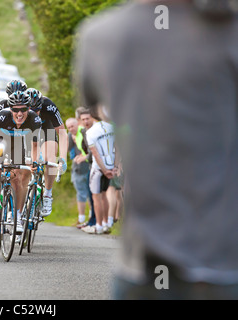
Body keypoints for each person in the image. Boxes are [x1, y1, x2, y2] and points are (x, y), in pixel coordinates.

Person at [75, 0, 238, 299]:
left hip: (144, 265)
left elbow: (98, 105)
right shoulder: (227, 30)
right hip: (224, 262)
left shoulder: (100, 36)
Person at [0, 91, 42, 234]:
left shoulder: (34, 121)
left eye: (23, 109)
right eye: (15, 110)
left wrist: (34, 162)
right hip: (0, 144)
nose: (19, 113)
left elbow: (35, 146)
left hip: (17, 146)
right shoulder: (1, 118)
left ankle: (17, 217)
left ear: (29, 109)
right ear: (10, 110)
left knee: (17, 181)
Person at [24, 87, 67, 216]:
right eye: (31, 111)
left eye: (37, 111)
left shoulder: (49, 106)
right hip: (27, 133)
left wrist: (63, 158)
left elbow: (63, 134)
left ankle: (47, 194)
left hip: (46, 131)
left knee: (51, 161)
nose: (34, 114)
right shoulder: (19, 110)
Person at [80, 107, 115, 235]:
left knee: (96, 197)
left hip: (99, 168)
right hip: (111, 164)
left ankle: (99, 225)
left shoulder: (90, 132)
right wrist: (115, 166)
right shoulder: (111, 127)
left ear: (92, 116)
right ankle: (106, 223)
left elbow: (95, 154)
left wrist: (104, 170)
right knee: (105, 195)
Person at [65, 117, 91, 227]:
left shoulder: (84, 132)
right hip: (77, 167)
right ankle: (81, 218)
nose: (71, 129)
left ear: (77, 124)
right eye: (69, 127)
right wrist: (67, 138)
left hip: (88, 166)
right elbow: (67, 148)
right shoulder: (70, 135)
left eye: (72, 126)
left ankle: (91, 218)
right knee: (80, 193)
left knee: (90, 193)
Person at [74, 107, 96, 228]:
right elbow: (86, 149)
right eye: (83, 119)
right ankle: (91, 220)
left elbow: (95, 150)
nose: (86, 121)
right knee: (90, 194)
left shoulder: (94, 130)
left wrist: (85, 157)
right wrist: (82, 156)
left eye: (88, 119)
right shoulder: (83, 132)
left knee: (95, 195)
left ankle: (96, 221)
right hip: (90, 164)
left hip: (98, 165)